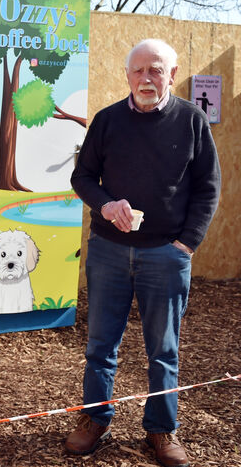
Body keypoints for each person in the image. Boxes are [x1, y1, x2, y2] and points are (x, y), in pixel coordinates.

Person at [67, 39, 220, 467]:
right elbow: (83, 176)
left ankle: (161, 430)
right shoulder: (108, 121)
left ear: (172, 75)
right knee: (100, 345)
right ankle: (95, 420)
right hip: (109, 252)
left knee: (163, 351)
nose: (146, 79)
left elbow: (208, 188)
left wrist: (186, 244)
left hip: (165, 256)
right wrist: (105, 203)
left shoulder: (192, 122)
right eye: (138, 70)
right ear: (127, 76)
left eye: (156, 70)